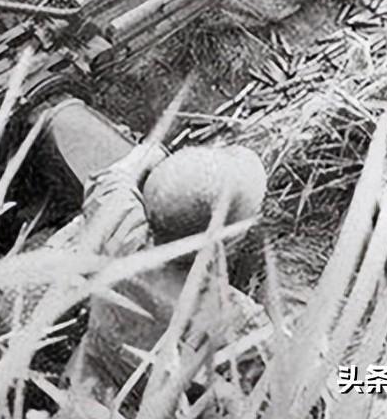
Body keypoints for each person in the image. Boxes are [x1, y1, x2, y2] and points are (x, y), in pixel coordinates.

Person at [62, 142, 271, 416]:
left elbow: (112, 178)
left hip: (87, 391)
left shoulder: (121, 231)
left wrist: (159, 159)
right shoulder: (237, 318)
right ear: (222, 244)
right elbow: (296, 388)